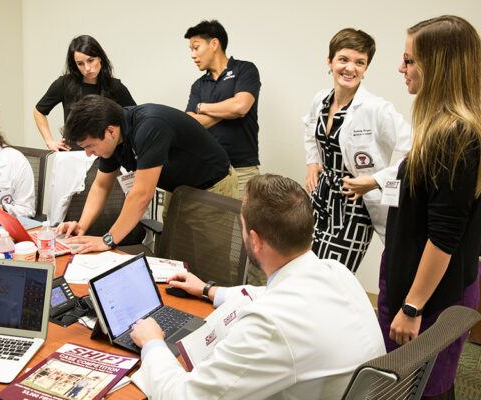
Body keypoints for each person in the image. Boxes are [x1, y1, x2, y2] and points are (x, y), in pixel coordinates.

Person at [130, 174, 385, 399]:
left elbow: (184, 396)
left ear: (255, 240)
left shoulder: (270, 326)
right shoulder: (336, 272)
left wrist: (152, 344)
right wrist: (209, 290)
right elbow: (268, 293)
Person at [378, 15, 481, 399]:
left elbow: (445, 235)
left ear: (440, 66)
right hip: (424, 284)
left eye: (410, 61)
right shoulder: (445, 124)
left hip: (429, 297)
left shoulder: (454, 134)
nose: (401, 69)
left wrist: (412, 306)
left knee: (421, 390)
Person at [57, 94, 237, 254]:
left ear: (110, 131)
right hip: (179, 190)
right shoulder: (112, 140)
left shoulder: (150, 126)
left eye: (90, 146)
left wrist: (108, 240)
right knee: (173, 256)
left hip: (211, 188)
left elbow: (142, 195)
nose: (88, 153)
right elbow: (101, 185)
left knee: (210, 261)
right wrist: (81, 226)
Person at [303, 28, 412, 272]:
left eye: (359, 62)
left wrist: (375, 180)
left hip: (354, 207)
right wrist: (312, 162)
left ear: (365, 67)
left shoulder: (377, 109)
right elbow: (310, 130)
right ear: (330, 61)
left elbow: (416, 152)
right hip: (320, 199)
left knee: (331, 278)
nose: (350, 68)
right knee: (305, 270)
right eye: (343, 59)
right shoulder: (321, 100)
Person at [33, 35, 136, 224]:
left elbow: (132, 117)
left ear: (100, 59)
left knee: (108, 206)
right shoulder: (65, 84)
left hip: (108, 156)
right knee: (71, 208)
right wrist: (49, 140)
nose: (87, 68)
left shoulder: (115, 87)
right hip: (74, 156)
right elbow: (39, 111)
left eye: (91, 60)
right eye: (80, 63)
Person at [184, 20, 260, 199]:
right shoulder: (198, 85)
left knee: (244, 226)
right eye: (191, 50)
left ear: (214, 43)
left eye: (196, 47)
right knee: (215, 227)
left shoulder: (245, 69)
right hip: (210, 172)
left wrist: (201, 107)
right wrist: (229, 108)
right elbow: (191, 124)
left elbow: (241, 107)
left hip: (243, 170)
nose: (193, 55)